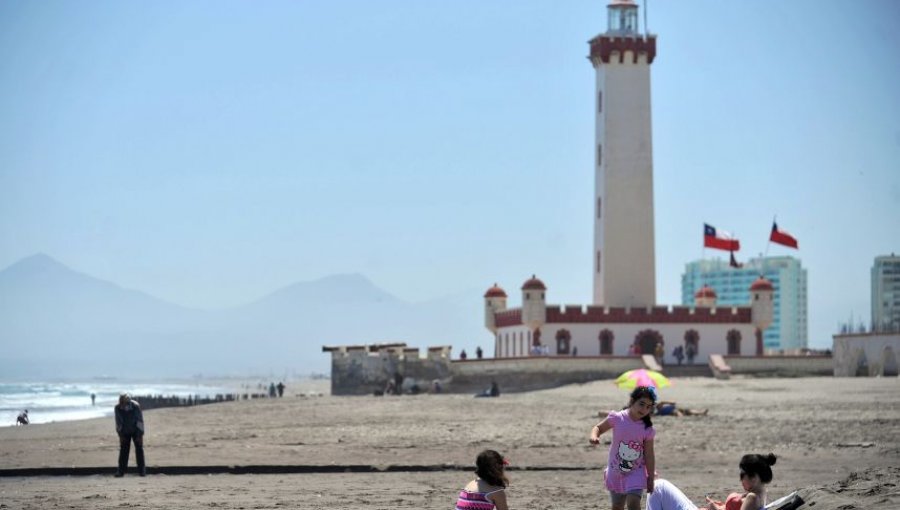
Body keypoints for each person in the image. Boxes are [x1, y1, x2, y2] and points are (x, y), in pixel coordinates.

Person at [590, 386, 657, 510]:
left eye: (648, 407)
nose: (644, 409)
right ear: (632, 401)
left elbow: (649, 454)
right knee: (617, 506)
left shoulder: (648, 429)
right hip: (616, 471)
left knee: (633, 504)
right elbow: (598, 428)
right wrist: (594, 436)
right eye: (641, 404)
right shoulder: (617, 418)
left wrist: (651, 477)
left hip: (636, 471)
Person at [646, 453, 778, 510]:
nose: (741, 480)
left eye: (743, 475)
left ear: (754, 477)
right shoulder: (761, 491)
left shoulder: (752, 497)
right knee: (658, 487)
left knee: (658, 486)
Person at [114, 394, 145, 477]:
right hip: (125, 431)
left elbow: (140, 421)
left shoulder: (135, 406)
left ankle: (142, 471)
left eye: (123, 403)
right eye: (120, 402)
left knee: (139, 450)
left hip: (136, 430)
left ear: (128, 402)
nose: (121, 404)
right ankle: (121, 471)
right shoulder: (117, 408)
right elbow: (118, 422)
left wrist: (140, 435)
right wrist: (120, 435)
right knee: (123, 451)